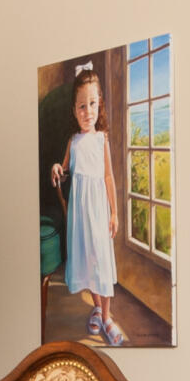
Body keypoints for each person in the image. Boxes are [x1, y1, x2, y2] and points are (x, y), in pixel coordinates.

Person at [47, 66, 126, 345]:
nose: (87, 111)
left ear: (99, 104)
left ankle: (107, 317)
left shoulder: (100, 139)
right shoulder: (74, 141)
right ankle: (96, 306)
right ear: (74, 109)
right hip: (80, 215)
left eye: (92, 104)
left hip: (97, 210)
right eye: (82, 106)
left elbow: (108, 176)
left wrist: (114, 213)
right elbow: (65, 170)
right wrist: (58, 167)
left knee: (101, 262)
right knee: (87, 262)